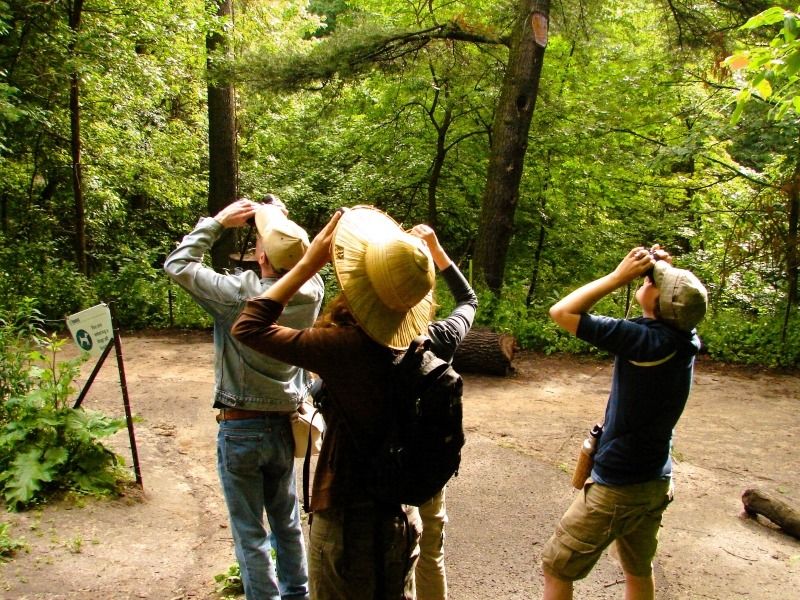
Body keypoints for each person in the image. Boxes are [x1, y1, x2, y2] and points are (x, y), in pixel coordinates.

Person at [232, 206, 464, 600]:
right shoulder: (418, 344)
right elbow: (467, 304)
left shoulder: (343, 348)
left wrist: (307, 264)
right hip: (400, 520)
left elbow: (249, 327)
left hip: (345, 521)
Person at [164, 197, 323, 600]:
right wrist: (279, 220)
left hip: (241, 426)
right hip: (286, 425)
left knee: (250, 531)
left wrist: (217, 222)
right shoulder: (313, 291)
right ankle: (296, 594)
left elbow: (178, 265)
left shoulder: (238, 294)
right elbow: (298, 259)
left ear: (261, 255)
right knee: (286, 522)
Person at [540, 246, 708, 600]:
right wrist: (658, 272)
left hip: (618, 485)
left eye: (654, 283)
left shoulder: (644, 341)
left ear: (660, 303)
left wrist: (619, 277)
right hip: (655, 480)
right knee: (637, 569)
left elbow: (562, 311)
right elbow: (673, 305)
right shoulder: (683, 338)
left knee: (557, 567)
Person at [406, 224, 477, 600]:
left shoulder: (360, 341)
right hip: (427, 469)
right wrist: (436, 248)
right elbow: (468, 299)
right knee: (430, 554)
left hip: (376, 473)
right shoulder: (441, 335)